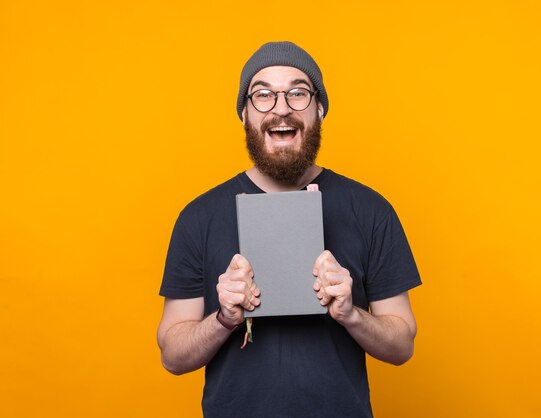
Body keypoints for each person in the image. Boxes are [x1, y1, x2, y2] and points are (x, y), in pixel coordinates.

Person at [157, 41, 422, 418]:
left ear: (320, 110)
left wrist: (350, 314)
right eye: (263, 95)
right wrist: (224, 318)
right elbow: (172, 355)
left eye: (298, 93)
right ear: (245, 115)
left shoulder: (370, 210)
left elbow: (402, 346)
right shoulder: (199, 217)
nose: (281, 108)